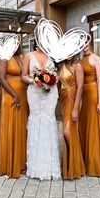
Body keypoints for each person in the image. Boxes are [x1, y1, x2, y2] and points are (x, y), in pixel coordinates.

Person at [22, 42, 61, 180]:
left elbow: (58, 75)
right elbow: (23, 76)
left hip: (50, 92)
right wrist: (34, 81)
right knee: (36, 120)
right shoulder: (28, 56)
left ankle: (51, 167)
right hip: (34, 92)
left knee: (48, 120)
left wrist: (53, 80)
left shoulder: (53, 56)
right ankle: (36, 167)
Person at [0, 46, 28, 178]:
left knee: (21, 127)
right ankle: (9, 163)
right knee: (11, 126)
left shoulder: (21, 58)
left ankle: (21, 161)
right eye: (13, 43)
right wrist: (14, 94)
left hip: (23, 94)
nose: (16, 45)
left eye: (17, 43)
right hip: (11, 95)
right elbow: (1, 78)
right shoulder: (4, 58)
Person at [78, 43, 100, 177]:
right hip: (83, 95)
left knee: (94, 127)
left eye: (86, 42)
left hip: (94, 94)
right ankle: (85, 161)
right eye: (81, 43)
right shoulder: (79, 60)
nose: (84, 45)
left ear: (89, 44)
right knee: (84, 127)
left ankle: (96, 165)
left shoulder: (96, 58)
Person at [58, 55, 85, 179]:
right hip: (64, 100)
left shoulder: (77, 66)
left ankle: (75, 163)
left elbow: (80, 87)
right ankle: (70, 163)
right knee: (68, 133)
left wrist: (75, 109)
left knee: (67, 133)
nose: (68, 55)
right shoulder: (62, 66)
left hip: (73, 98)